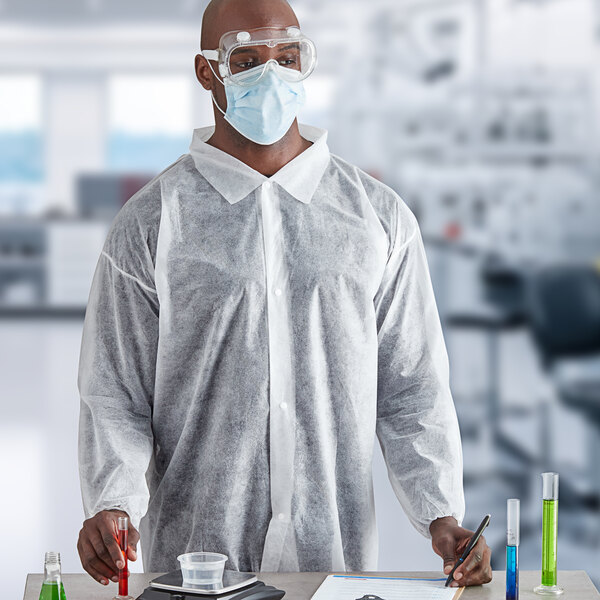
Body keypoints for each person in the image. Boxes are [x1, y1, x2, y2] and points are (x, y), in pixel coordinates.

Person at [76, 0, 492, 590]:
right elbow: (116, 389)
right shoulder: (154, 221)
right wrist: (113, 500)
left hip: (336, 562)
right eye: (246, 59)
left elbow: (412, 384)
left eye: (287, 56)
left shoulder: (375, 216)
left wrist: (440, 514)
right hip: (199, 567)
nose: (271, 75)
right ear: (207, 72)